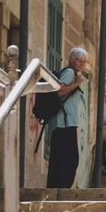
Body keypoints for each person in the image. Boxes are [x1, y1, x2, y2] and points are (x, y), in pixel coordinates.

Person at [46, 47, 89, 188]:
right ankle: (60, 192)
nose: (81, 64)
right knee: (70, 161)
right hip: (63, 124)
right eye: (78, 60)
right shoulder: (70, 73)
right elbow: (59, 92)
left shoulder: (74, 73)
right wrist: (76, 83)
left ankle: (57, 191)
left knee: (62, 161)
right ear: (71, 60)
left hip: (66, 123)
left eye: (83, 61)